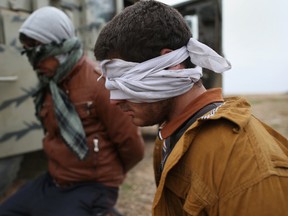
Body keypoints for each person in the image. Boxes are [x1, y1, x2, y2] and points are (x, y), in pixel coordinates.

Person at [94, 1, 288, 215]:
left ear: (170, 65)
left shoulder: (246, 168)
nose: (114, 100)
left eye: (123, 80)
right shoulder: (173, 134)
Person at [0, 6, 145, 216]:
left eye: (38, 51)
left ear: (60, 47)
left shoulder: (99, 83)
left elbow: (133, 147)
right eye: (27, 51)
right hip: (55, 180)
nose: (33, 61)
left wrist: (106, 181)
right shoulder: (50, 83)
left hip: (92, 185)